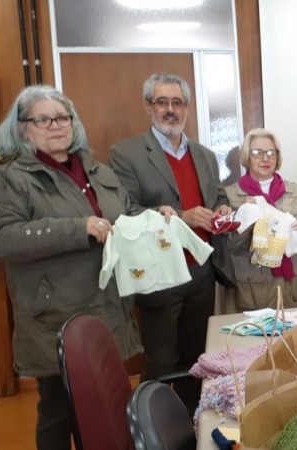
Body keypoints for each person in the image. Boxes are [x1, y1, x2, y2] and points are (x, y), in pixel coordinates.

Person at [0, 85, 172, 450]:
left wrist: (153, 215)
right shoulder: (10, 177)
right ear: (22, 128)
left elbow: (123, 215)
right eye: (43, 119)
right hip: (54, 314)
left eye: (63, 117)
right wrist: (76, 228)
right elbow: (0, 238)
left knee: (105, 403)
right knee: (57, 410)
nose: (56, 125)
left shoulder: (98, 171)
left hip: (106, 306)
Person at [109, 73, 230, 394]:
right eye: (162, 102)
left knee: (196, 360)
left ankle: (192, 429)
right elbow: (125, 212)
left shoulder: (204, 154)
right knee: (160, 363)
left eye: (177, 102)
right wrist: (180, 218)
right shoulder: (127, 154)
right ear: (148, 107)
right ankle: (153, 433)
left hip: (201, 273)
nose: (170, 110)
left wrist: (222, 209)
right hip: (160, 274)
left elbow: (217, 195)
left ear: (187, 107)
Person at [222, 128, 297, 311]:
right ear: (247, 156)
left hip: (291, 289)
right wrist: (248, 216)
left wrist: (293, 229)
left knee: (296, 339)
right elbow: (228, 247)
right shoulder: (230, 196)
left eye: (271, 153)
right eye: (258, 153)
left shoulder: (294, 193)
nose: (265, 158)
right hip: (251, 291)